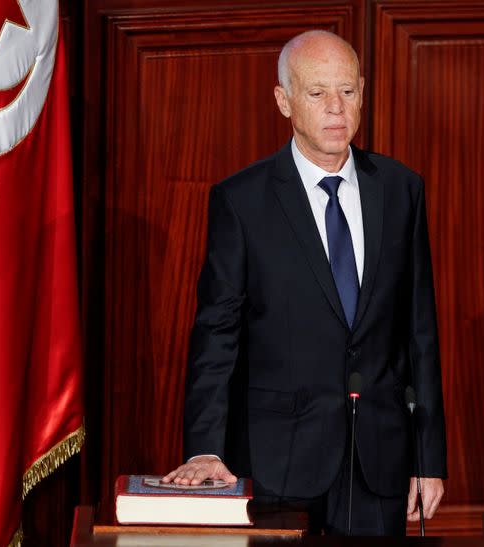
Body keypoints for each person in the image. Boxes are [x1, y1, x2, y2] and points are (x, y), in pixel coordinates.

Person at [163, 29, 447, 536]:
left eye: (348, 91)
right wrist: (205, 446)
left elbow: (418, 332)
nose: (336, 108)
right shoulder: (242, 200)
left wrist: (428, 457)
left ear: (362, 91)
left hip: (379, 465)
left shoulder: (402, 190)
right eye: (317, 93)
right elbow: (217, 335)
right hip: (279, 464)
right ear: (284, 101)